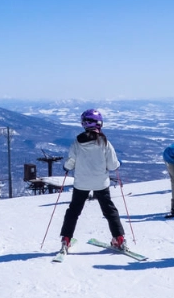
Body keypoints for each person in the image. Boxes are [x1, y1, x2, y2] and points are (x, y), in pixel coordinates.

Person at [59, 109, 127, 254]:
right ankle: (119, 239)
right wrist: (118, 164)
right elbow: (113, 165)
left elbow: (71, 161)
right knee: (109, 210)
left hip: (81, 183)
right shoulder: (104, 142)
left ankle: (66, 239)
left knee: (73, 211)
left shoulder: (77, 142)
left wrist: (66, 167)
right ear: (100, 123)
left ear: (83, 124)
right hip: (101, 183)